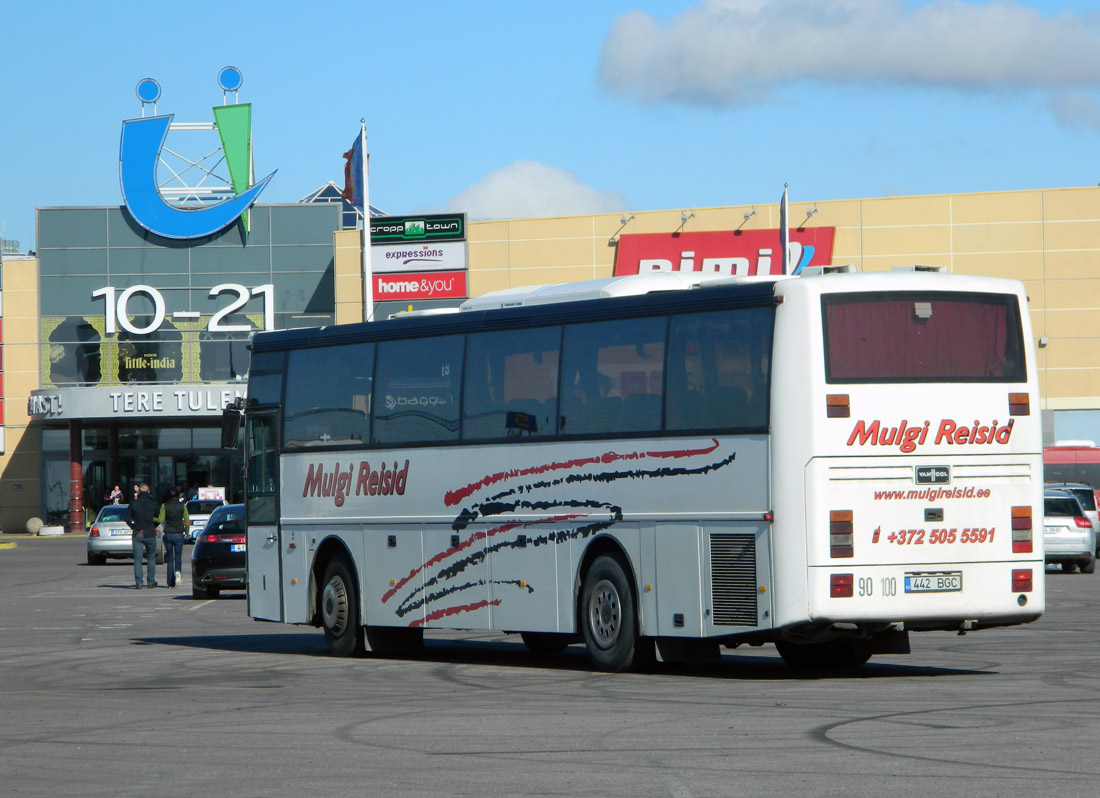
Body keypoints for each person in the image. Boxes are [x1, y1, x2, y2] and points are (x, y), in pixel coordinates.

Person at [156, 487, 189, 588]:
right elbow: (187, 519)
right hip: (179, 533)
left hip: (168, 533)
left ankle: (170, 582)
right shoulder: (182, 506)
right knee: (178, 556)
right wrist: (186, 531)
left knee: (170, 557)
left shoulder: (164, 506)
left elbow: (160, 519)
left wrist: (152, 518)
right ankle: (178, 572)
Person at [128, 483, 159, 589]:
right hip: (149, 531)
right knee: (151, 558)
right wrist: (154, 525)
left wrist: (133, 526)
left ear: (139, 492)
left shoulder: (133, 504)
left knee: (137, 559)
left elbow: (127, 518)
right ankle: (151, 581)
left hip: (137, 532)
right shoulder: (153, 503)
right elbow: (158, 517)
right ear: (149, 491)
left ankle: (139, 582)